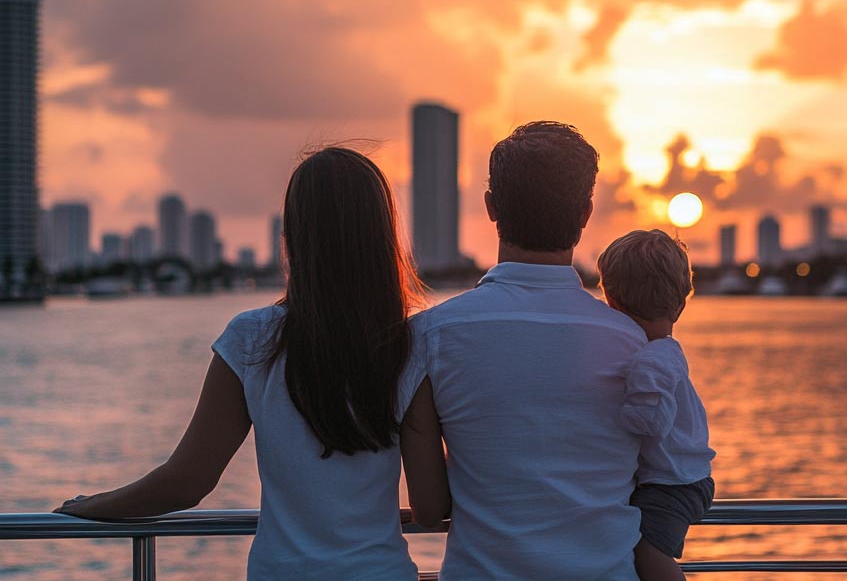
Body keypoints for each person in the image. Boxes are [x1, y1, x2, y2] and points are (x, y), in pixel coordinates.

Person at [55, 147, 429, 581]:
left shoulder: (253, 339)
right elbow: (430, 504)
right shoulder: (411, 344)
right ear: (382, 237)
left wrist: (88, 506)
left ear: (294, 236)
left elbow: (188, 480)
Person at [401, 121, 650, 580]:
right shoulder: (631, 342)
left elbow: (430, 511)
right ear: (586, 213)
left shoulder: (430, 337)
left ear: (491, 207)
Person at [597, 229, 716, 581]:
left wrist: (617, 420)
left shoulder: (655, 358)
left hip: (674, 484)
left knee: (648, 553)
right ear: (680, 304)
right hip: (680, 476)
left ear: (611, 300)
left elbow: (649, 421)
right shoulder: (662, 353)